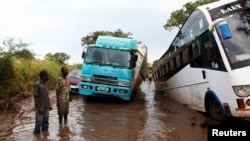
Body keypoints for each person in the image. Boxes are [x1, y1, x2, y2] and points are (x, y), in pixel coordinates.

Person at [33, 70, 52, 135]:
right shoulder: (37, 84)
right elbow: (35, 96)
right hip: (40, 106)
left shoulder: (45, 84)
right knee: (39, 121)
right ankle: (37, 135)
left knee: (46, 121)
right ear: (43, 76)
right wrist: (39, 107)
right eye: (47, 75)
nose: (48, 77)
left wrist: (50, 105)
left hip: (46, 106)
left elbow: (47, 95)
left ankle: (45, 134)